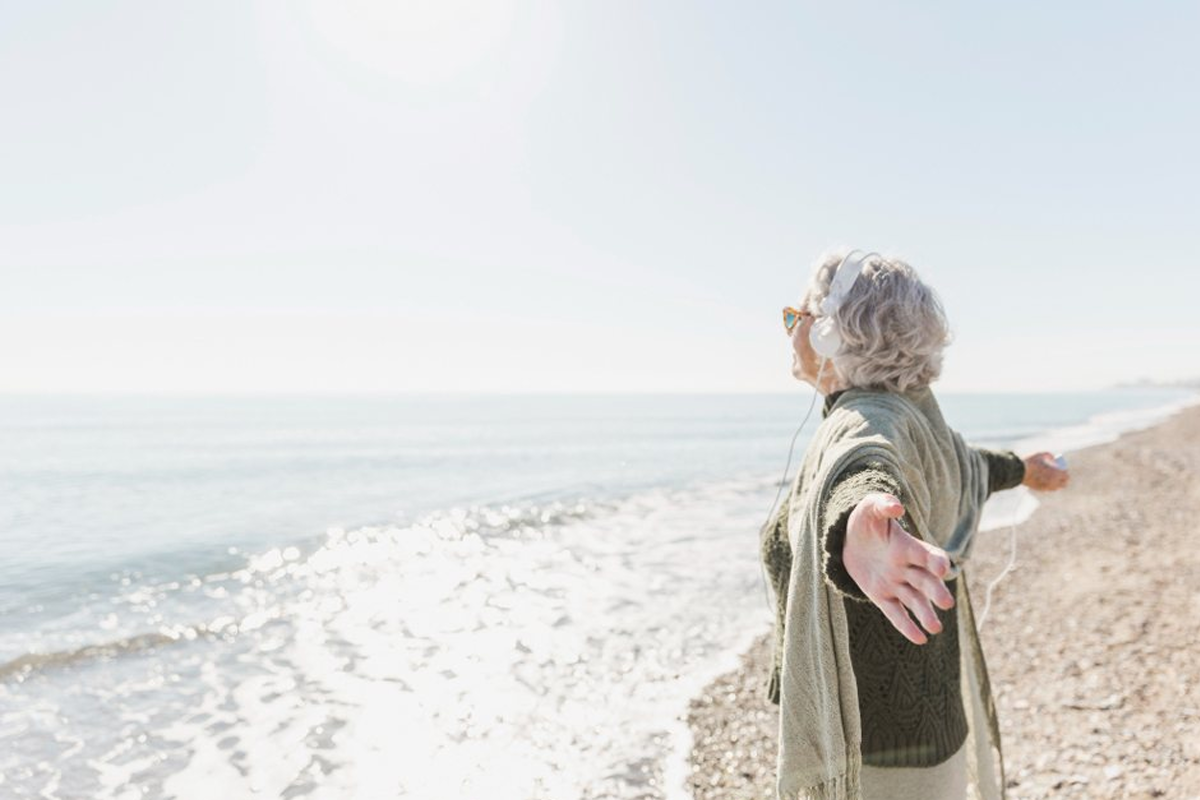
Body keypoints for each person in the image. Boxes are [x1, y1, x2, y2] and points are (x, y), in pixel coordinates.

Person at [759, 248, 1068, 800]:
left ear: (831, 334)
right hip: (927, 714)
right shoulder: (917, 416)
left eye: (794, 318)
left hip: (875, 741)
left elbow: (867, 468)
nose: (789, 333)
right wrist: (1025, 471)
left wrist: (857, 522)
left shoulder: (866, 420)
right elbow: (966, 462)